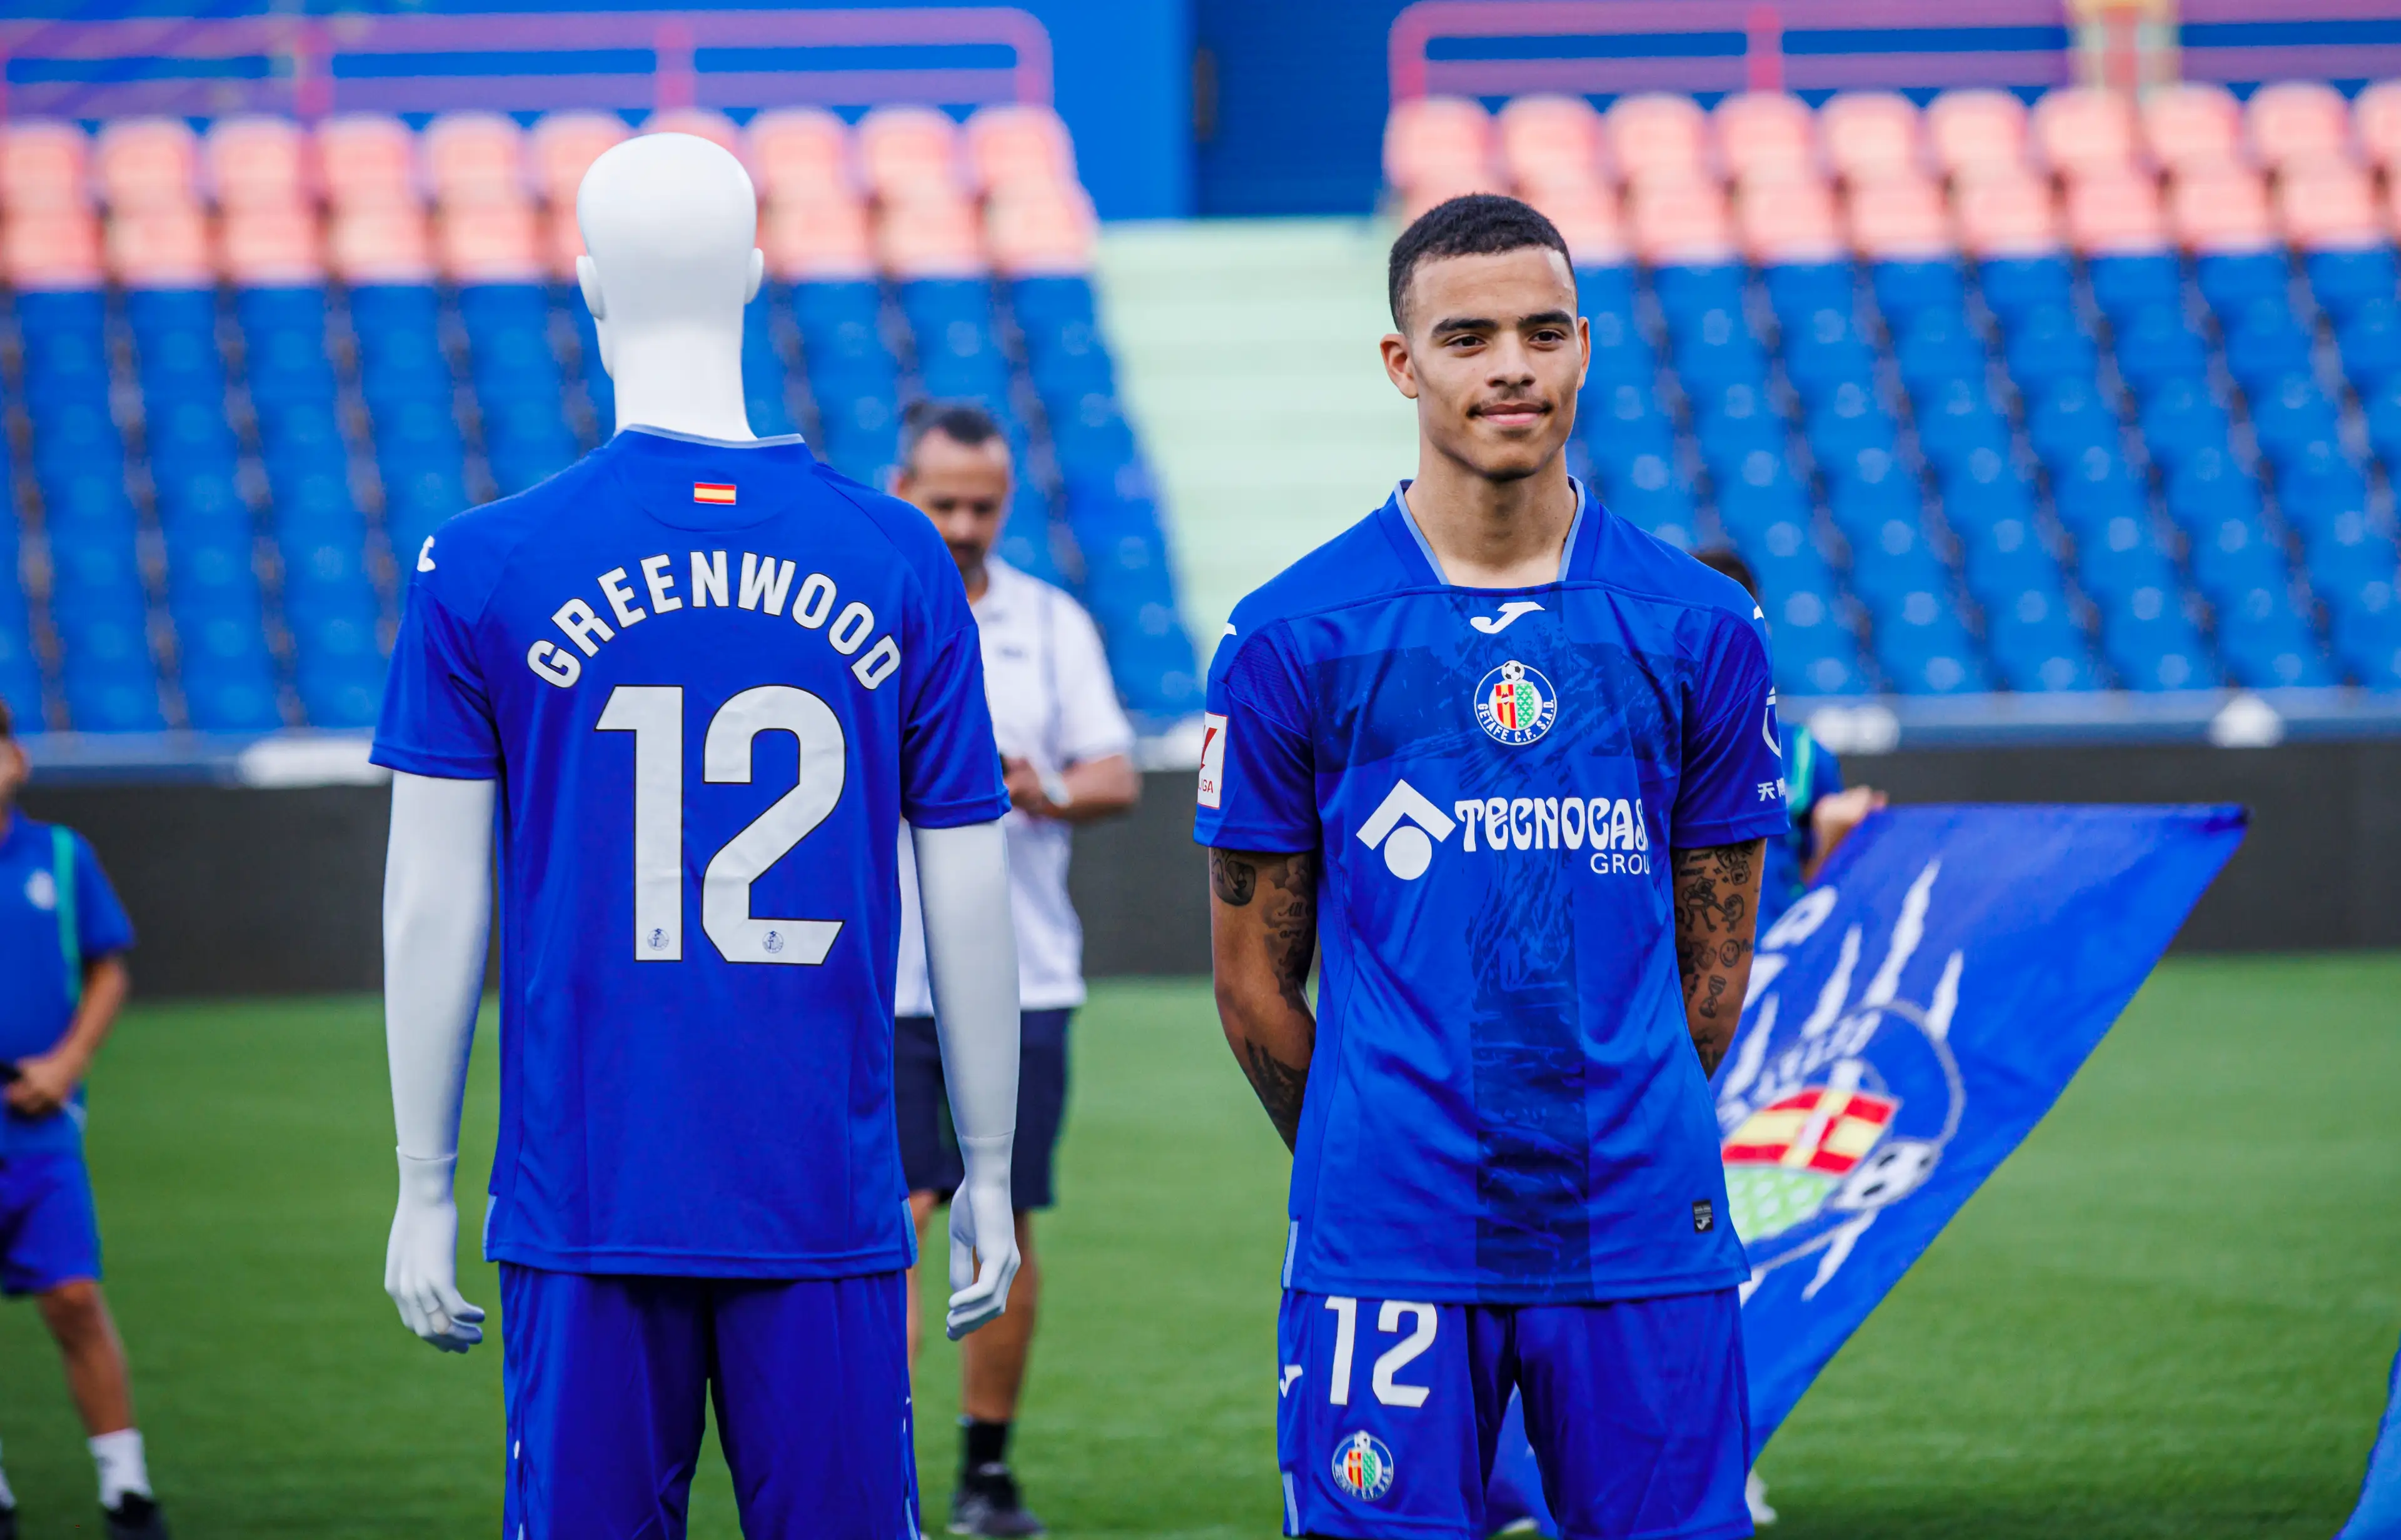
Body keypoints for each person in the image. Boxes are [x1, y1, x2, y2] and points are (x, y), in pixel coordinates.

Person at [372, 133, 1027, 1540]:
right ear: (752, 276)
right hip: (823, 1188)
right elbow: (973, 884)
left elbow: (430, 903)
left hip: (587, 1188)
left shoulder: (485, 560)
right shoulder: (898, 553)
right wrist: (986, 1160)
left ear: (589, 287)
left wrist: (425, 1179)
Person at [1197, 192, 1788, 1539]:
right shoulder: (1292, 636)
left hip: (1640, 1222)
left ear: (1584, 345)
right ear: (1402, 363)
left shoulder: (1702, 627)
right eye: (1467, 337)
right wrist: (1374, 1142)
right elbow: (1252, 985)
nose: (1511, 366)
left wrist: (1613, 1119)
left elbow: (1715, 968)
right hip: (1390, 1228)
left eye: (1542, 331)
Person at [888, 403, 1139, 1537]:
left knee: (1006, 1220)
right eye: (942, 501)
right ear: (902, 489)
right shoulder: (857, 610)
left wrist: (1041, 787)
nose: (962, 523)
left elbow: (1115, 773)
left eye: (982, 504)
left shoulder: (1049, 619)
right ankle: (875, 1458)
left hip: (1023, 975)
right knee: (893, 1220)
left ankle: (984, 1467)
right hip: (881, 977)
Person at [0, 699, 168, 1540]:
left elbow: (108, 968)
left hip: (41, 1126)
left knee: (72, 1295)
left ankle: (125, 1485)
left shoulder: (62, 857)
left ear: (17, 758)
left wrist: (66, 1064)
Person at [1691, 548, 1886, 935]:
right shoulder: (1644, 752)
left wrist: (1832, 837)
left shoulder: (1804, 754)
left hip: (1776, 958)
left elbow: (1824, 896)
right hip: (1679, 965)